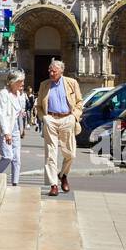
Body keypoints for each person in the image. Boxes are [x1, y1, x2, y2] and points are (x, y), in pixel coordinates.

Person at [37, 58, 84, 196]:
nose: (51, 73)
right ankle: (53, 185)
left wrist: (74, 116)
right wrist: (43, 118)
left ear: (61, 71)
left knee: (70, 153)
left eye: (54, 71)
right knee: (51, 154)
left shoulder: (71, 83)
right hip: (50, 119)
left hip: (67, 119)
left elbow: (80, 102)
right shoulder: (44, 85)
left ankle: (63, 175)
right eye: (50, 70)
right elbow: (39, 106)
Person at [0, 68, 25, 185]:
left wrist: (22, 128)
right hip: (5, 128)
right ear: (13, 82)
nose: (22, 84)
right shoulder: (4, 94)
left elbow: (20, 113)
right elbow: (2, 114)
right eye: (20, 81)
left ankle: (15, 182)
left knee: (17, 158)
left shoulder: (19, 94)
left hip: (15, 127)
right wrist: (7, 133)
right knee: (7, 156)